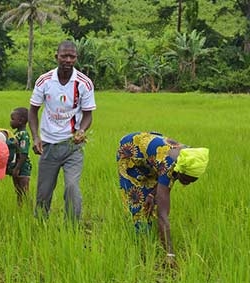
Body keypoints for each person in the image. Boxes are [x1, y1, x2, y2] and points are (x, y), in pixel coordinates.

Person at [28, 40, 96, 222]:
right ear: (56, 56)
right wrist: (35, 137)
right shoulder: (44, 81)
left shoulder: (84, 83)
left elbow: (88, 115)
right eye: (64, 56)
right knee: (44, 192)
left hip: (72, 146)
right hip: (49, 145)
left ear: (76, 58)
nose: (67, 60)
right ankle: (40, 227)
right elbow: (32, 111)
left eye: (72, 56)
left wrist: (81, 131)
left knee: (72, 187)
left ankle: (72, 228)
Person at [117, 132, 209, 263]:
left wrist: (151, 193)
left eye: (192, 181)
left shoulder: (188, 157)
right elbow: (163, 214)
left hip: (152, 158)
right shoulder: (169, 165)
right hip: (130, 152)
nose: (187, 184)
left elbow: (169, 178)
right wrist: (170, 253)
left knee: (151, 197)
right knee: (138, 199)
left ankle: (152, 235)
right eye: (187, 179)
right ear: (180, 170)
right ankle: (141, 243)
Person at [7, 107, 32, 206]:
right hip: (16, 166)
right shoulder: (16, 134)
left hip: (23, 167)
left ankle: (29, 210)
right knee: (18, 191)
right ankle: (21, 209)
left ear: (21, 121)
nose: (10, 122)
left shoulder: (23, 135)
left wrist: (17, 168)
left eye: (13, 119)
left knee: (24, 190)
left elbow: (23, 153)